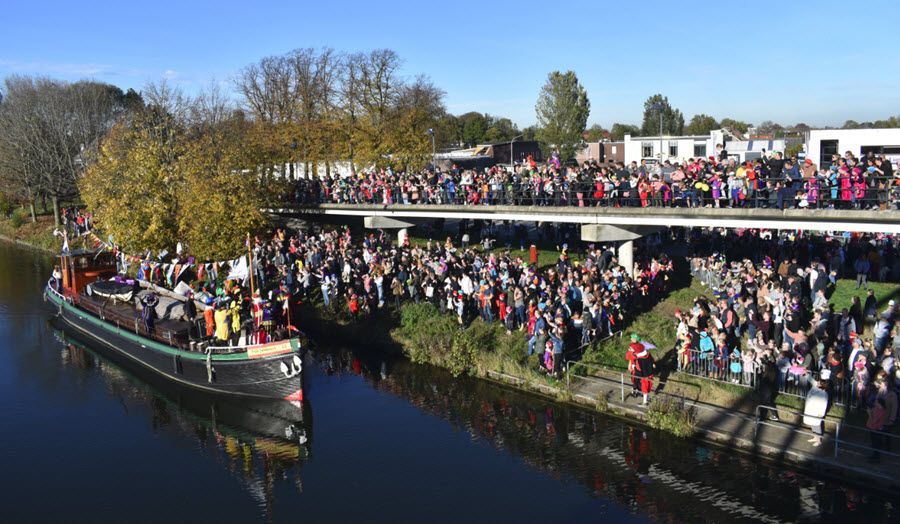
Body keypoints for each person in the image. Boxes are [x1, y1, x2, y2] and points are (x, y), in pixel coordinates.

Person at [803, 379, 829, 447]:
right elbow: (810, 379)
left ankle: (818, 440)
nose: (817, 383)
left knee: (816, 426)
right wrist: (804, 373)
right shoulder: (815, 387)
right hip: (810, 410)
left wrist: (820, 414)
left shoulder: (824, 394)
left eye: (819, 383)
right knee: (812, 425)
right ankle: (815, 437)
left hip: (816, 412)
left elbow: (824, 405)